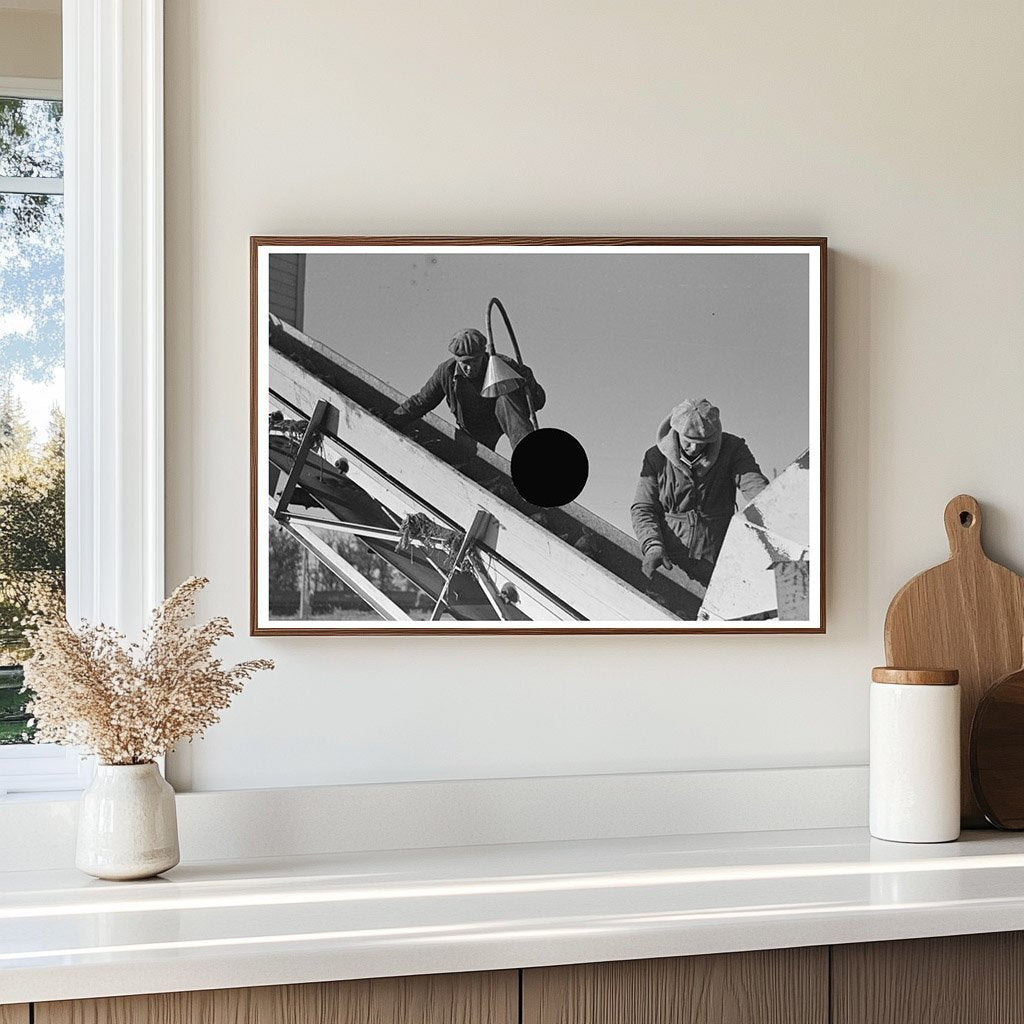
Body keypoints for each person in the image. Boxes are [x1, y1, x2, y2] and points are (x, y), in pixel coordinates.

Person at [631, 398, 768, 587]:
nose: (694, 448)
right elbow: (643, 508)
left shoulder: (733, 449)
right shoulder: (655, 458)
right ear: (676, 432)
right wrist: (652, 546)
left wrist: (773, 515)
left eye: (702, 443)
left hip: (717, 558)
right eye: (689, 441)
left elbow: (757, 490)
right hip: (671, 561)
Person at [388, 328, 545, 451]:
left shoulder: (503, 365)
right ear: (457, 360)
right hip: (473, 430)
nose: (470, 368)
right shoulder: (446, 372)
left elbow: (537, 403)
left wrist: (529, 381)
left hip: (500, 419)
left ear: (483, 355)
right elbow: (422, 401)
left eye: (475, 361)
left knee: (505, 400)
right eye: (465, 363)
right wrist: (392, 420)